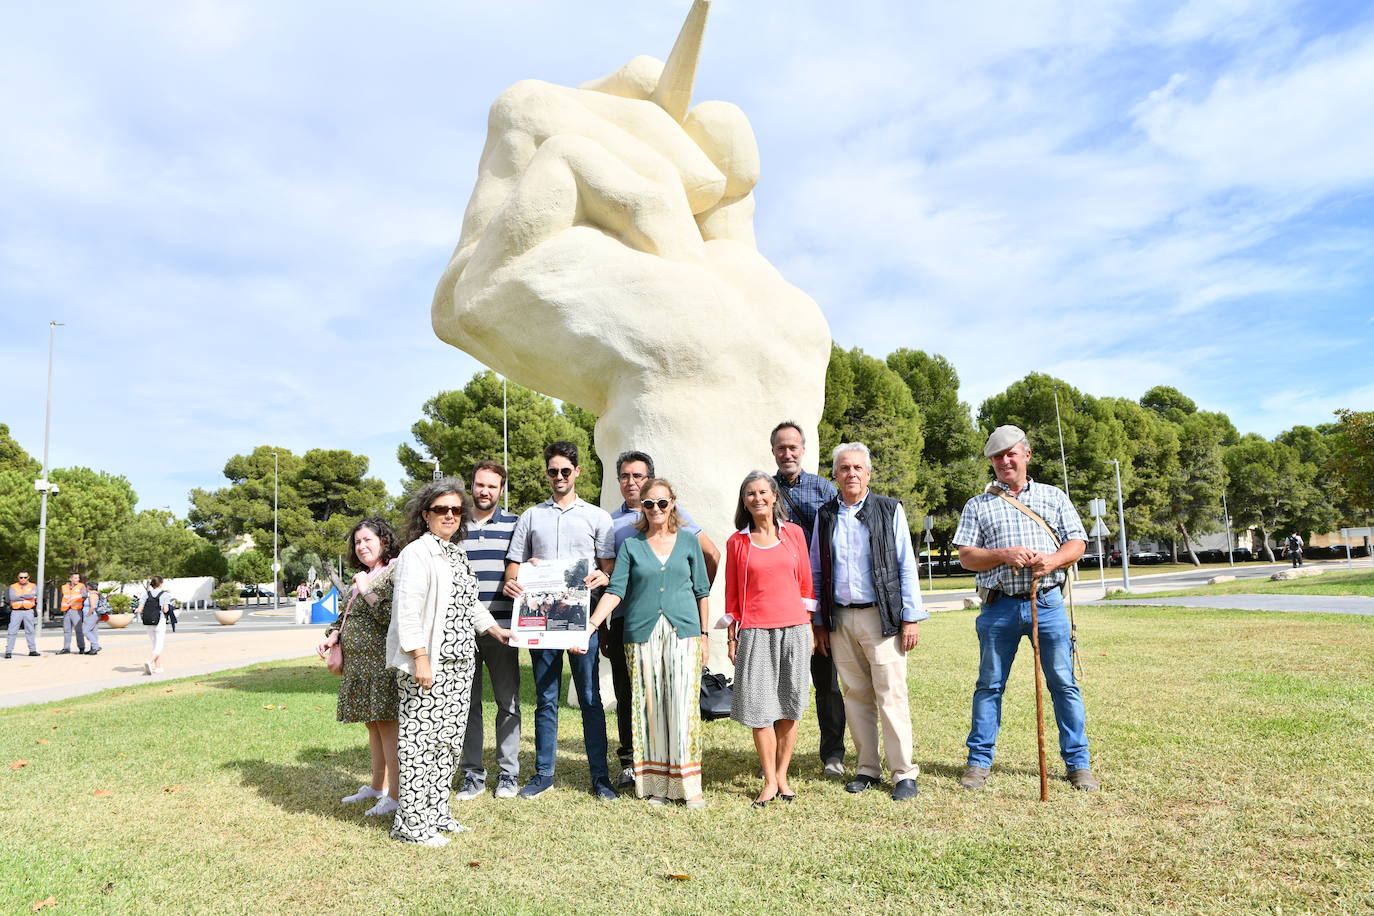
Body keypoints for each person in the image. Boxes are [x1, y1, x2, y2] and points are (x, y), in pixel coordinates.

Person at [953, 425, 1096, 792]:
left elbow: (1077, 543)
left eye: (1010, 454)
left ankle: (1078, 764)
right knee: (989, 685)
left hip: (1046, 603)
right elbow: (967, 557)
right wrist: (1004, 555)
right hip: (998, 607)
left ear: (1026, 455)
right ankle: (978, 762)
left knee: (1064, 684)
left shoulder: (1053, 497)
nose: (1004, 461)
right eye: (997, 457)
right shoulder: (978, 505)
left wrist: (1051, 561)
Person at [387, 478, 511, 846]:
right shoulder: (417, 553)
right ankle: (411, 825)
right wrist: (419, 658)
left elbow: (469, 604)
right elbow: (407, 610)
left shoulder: (455, 553)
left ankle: (437, 812)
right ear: (425, 514)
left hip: (461, 664)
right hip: (428, 664)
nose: (451, 516)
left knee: (447, 742)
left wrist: (494, 630)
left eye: (457, 510)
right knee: (419, 743)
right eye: (442, 509)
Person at [810, 442, 925, 803]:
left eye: (858, 468)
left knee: (891, 695)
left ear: (869, 474)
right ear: (835, 475)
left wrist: (910, 618)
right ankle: (867, 769)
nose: (852, 474)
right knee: (855, 696)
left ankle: (903, 772)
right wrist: (819, 622)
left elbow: (907, 565)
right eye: (844, 468)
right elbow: (816, 569)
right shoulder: (825, 514)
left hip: (882, 617)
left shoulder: (889, 510)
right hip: (841, 618)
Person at [586, 478, 711, 808]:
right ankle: (657, 785)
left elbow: (702, 591)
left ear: (672, 503)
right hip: (640, 636)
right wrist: (592, 623)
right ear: (641, 507)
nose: (656, 509)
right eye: (649, 504)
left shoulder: (687, 542)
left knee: (682, 708)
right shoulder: (631, 546)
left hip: (683, 633)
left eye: (662, 502)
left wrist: (705, 634)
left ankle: (688, 786)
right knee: (651, 709)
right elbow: (615, 590)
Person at [503, 441, 617, 800]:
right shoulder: (531, 516)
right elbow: (514, 565)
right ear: (547, 473)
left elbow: (608, 568)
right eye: (553, 471)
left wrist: (601, 576)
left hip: (582, 621)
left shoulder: (598, 517)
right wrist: (514, 579)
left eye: (565, 471)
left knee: (589, 697)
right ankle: (542, 775)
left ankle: (600, 777)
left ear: (577, 472)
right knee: (546, 698)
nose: (559, 477)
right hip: (540, 622)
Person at [606, 449, 719, 788]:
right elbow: (608, 574)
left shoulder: (673, 515)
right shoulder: (609, 522)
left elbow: (708, 556)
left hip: (674, 623)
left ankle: (676, 768)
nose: (631, 482)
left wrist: (682, 600)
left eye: (638, 476)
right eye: (625, 476)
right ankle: (633, 764)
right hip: (628, 620)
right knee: (631, 696)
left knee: (674, 696)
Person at [724, 471, 815, 807]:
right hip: (755, 632)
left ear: (774, 496)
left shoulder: (794, 535)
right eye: (750, 493)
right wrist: (732, 637)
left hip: (794, 630)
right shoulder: (737, 542)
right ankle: (767, 780)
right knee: (760, 708)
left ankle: (782, 777)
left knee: (790, 705)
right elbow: (732, 594)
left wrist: (808, 628)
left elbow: (806, 586)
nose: (757, 498)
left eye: (763, 491)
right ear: (744, 501)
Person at [771, 421, 847, 777]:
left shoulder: (825, 489)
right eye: (781, 448)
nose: (788, 453)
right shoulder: (763, 490)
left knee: (827, 683)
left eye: (793, 447)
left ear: (803, 450)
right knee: (777, 684)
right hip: (779, 599)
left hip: (819, 595)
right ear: (773, 451)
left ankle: (832, 753)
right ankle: (775, 759)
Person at [318, 517, 402, 818]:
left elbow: (389, 615)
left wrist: (366, 588)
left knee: (388, 727)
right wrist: (333, 635)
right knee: (372, 724)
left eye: (368, 539)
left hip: (381, 664)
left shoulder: (392, 571)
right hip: (359, 665)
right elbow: (346, 616)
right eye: (357, 542)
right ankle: (377, 787)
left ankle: (395, 794)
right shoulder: (364, 575)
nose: (362, 545)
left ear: (384, 541)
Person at [455, 461, 522, 802]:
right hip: (461, 630)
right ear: (472, 486)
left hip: (504, 629)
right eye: (480, 485)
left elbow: (526, 565)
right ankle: (472, 775)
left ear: (501, 489)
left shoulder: (515, 524)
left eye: (492, 486)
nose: (485, 491)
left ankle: (508, 774)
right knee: (469, 704)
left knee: (508, 702)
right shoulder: (454, 524)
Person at [5, 572, 40, 659]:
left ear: (28, 577)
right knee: (12, 631)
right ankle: (8, 651)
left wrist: (20, 596)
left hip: (28, 611)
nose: (23, 579)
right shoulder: (13, 586)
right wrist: (26, 596)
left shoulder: (33, 586)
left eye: (25, 577)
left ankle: (32, 650)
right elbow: (12, 597)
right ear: (18, 578)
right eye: (21, 577)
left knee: (30, 631)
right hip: (16, 612)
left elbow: (33, 595)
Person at [141, 576, 172, 675]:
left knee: (154, 644)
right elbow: (165, 610)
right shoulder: (164, 595)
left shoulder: (146, 594)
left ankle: (158, 667)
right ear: (161, 583)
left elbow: (140, 608)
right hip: (160, 621)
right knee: (159, 645)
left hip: (148, 622)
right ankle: (149, 662)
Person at [58, 572, 88, 655]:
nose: (77, 579)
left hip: (76, 611)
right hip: (66, 611)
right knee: (67, 630)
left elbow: (85, 595)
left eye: (78, 578)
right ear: (70, 579)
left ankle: (81, 648)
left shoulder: (81, 586)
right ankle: (66, 648)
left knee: (79, 630)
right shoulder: (64, 587)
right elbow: (62, 598)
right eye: (75, 578)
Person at [82, 582, 107, 655]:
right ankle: (93, 648)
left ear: (89, 588)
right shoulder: (96, 594)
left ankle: (96, 646)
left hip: (92, 615)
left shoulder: (92, 595)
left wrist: (88, 614)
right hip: (95, 615)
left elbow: (92, 606)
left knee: (86, 631)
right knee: (93, 631)